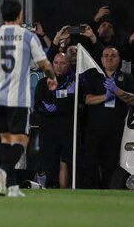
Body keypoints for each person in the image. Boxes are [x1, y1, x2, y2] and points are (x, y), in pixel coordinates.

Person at [0, 0, 58, 198]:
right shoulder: (28, 37)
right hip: (18, 97)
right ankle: (3, 171)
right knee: (20, 140)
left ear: (2, 16)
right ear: (19, 16)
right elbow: (44, 63)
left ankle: (9, 186)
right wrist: (52, 79)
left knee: (5, 140)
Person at [82, 46, 134, 189]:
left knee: (111, 163)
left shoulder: (126, 78)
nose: (109, 58)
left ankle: (108, 191)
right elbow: (87, 99)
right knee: (90, 162)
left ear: (119, 59)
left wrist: (117, 91)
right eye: (106, 55)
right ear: (101, 59)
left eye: (113, 55)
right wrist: (105, 96)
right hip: (94, 128)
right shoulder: (94, 78)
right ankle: (91, 192)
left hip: (116, 128)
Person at [33, 52, 75, 188]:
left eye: (62, 63)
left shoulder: (73, 83)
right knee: (50, 164)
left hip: (67, 131)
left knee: (70, 163)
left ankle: (72, 189)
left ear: (68, 65)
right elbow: (37, 105)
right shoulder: (42, 83)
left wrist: (60, 104)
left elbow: (75, 106)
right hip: (48, 131)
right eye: (56, 62)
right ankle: (52, 188)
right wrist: (46, 109)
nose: (59, 66)